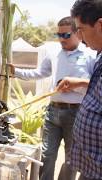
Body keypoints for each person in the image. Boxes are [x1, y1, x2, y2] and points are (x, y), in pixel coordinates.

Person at [8, 16, 96, 180]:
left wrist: (77, 84)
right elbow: (40, 73)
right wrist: (16, 71)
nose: (62, 39)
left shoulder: (90, 55)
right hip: (53, 111)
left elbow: (96, 85)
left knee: (71, 160)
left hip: (76, 114)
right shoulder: (54, 53)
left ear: (78, 33)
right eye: (59, 35)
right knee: (47, 155)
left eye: (66, 35)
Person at [56, 1, 102, 179]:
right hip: (91, 166)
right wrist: (82, 83)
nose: (80, 37)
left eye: (81, 29)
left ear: (99, 25)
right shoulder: (100, 55)